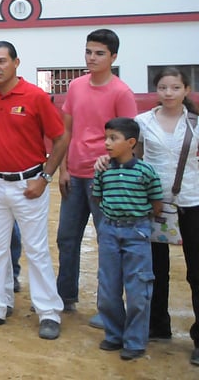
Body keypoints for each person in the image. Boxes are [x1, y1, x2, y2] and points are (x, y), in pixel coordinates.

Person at [0, 41, 68, 340]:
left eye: (2, 61)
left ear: (16, 62)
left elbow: (61, 138)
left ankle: (49, 312)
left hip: (30, 183)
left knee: (36, 250)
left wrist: (45, 176)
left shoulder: (36, 96)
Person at [56, 29, 137, 319]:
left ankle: (109, 309)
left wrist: (110, 159)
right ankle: (64, 298)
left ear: (113, 57)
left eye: (99, 53)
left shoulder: (122, 92)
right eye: (88, 51)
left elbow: (130, 141)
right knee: (66, 238)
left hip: (108, 179)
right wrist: (63, 169)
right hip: (74, 176)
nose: (92, 57)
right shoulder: (76, 86)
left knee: (109, 244)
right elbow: (66, 131)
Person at [134, 67, 199, 366]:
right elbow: (131, 155)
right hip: (155, 205)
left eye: (175, 87)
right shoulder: (143, 122)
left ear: (186, 90)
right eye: (163, 87)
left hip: (193, 201)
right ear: (156, 90)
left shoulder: (196, 123)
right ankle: (157, 325)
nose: (169, 93)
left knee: (196, 271)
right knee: (154, 269)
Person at [93, 118, 163, 362]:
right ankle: (114, 335)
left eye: (113, 138)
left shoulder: (146, 171)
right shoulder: (103, 170)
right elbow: (99, 198)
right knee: (108, 287)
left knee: (138, 290)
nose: (107, 143)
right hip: (110, 232)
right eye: (106, 138)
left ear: (131, 143)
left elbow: (156, 203)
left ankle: (134, 341)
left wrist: (137, 222)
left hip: (137, 233)